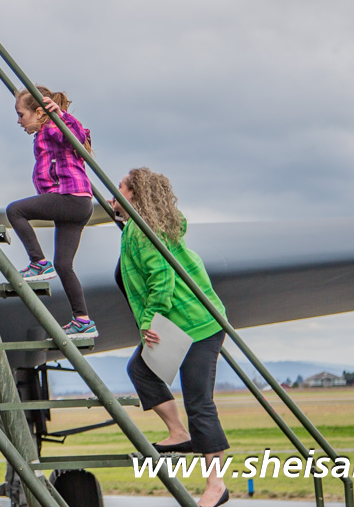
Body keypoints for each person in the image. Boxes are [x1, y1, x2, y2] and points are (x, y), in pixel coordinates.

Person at [116, 166, 230, 507]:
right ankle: (179, 433)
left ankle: (216, 485)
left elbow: (162, 278)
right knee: (140, 369)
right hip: (180, 323)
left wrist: (149, 320)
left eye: (120, 187)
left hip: (198, 324)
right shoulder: (140, 227)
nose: (114, 193)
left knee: (200, 402)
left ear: (134, 194)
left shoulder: (142, 230)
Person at [4, 88, 96, 337]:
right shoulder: (43, 132)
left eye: (21, 115)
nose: (19, 121)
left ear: (38, 112)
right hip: (76, 203)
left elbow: (75, 137)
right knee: (64, 265)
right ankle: (82, 321)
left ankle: (38, 263)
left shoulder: (52, 127)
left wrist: (61, 116)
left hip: (70, 197)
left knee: (15, 211)